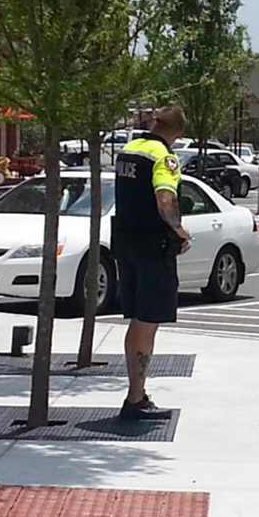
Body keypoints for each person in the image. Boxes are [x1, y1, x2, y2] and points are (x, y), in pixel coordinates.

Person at [112, 105, 191, 421]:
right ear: (178, 132)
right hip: (152, 247)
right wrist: (179, 229)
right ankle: (135, 399)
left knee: (136, 321)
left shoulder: (129, 150)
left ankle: (137, 391)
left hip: (125, 241)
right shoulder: (164, 157)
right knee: (148, 321)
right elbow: (165, 199)